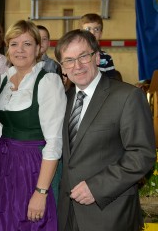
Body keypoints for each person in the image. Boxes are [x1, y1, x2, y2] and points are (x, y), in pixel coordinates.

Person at [54, 29, 156, 231]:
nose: (78, 66)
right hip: (67, 213)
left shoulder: (127, 96)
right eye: (69, 60)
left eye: (83, 56)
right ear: (63, 67)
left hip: (110, 213)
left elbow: (141, 154)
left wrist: (96, 187)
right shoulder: (63, 100)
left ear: (97, 57)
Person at [0, 20, 66, 231]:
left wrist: (41, 191)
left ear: (38, 48)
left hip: (34, 168)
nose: (19, 50)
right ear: (7, 48)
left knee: (32, 223)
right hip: (4, 166)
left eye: (27, 44)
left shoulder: (48, 82)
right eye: (14, 44)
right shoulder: (2, 79)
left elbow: (54, 142)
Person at [80, 13, 116, 78]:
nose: (92, 32)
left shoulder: (106, 58)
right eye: (88, 29)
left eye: (96, 29)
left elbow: (112, 82)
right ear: (81, 33)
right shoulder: (76, 56)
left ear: (101, 34)